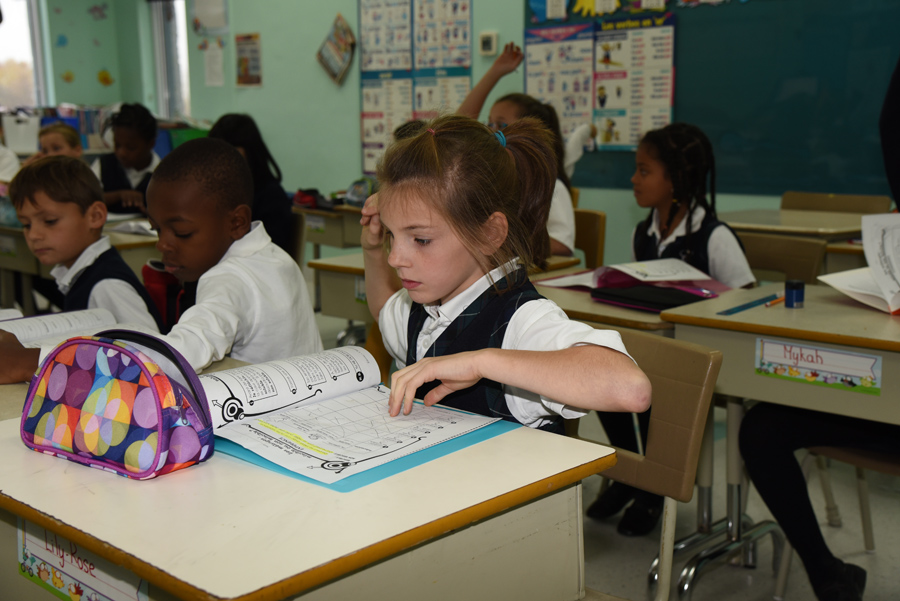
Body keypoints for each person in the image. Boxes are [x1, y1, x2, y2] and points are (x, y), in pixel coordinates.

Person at [360, 114, 651, 428]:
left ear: (489, 234)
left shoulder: (520, 321)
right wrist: (373, 249)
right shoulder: (429, 306)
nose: (396, 258)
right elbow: (386, 314)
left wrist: (480, 361)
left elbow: (630, 389)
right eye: (392, 235)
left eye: (420, 239)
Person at [587, 122, 755, 537]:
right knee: (600, 369)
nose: (633, 179)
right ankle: (629, 474)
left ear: (676, 179)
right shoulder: (642, 232)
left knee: (655, 388)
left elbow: (747, 301)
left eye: (644, 171)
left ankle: (653, 488)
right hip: (655, 354)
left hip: (697, 363)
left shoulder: (713, 237)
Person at [146, 137, 322, 371]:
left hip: (271, 405)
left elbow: (187, 349)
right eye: (156, 229)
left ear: (237, 222)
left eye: (182, 232)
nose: (163, 245)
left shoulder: (227, 278)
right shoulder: (278, 258)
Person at [0, 156, 165, 383]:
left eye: (49, 221)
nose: (34, 234)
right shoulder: (81, 273)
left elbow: (154, 356)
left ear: (95, 217)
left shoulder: (107, 286)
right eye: (26, 224)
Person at [458, 42, 591, 257]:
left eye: (501, 125)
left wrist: (506, 243)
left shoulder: (550, 185)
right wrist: (495, 73)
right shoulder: (489, 177)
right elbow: (457, 129)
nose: (492, 132)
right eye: (489, 123)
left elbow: (563, 244)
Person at [208, 114, 294, 253]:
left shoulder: (270, 196)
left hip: (252, 268)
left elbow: (270, 249)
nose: (221, 162)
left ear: (250, 152)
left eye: (231, 152)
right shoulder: (214, 191)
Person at [91, 103, 159, 213]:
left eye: (131, 148)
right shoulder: (103, 164)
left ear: (150, 144)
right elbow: (85, 200)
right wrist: (118, 195)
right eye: (117, 145)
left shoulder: (163, 173)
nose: (121, 153)